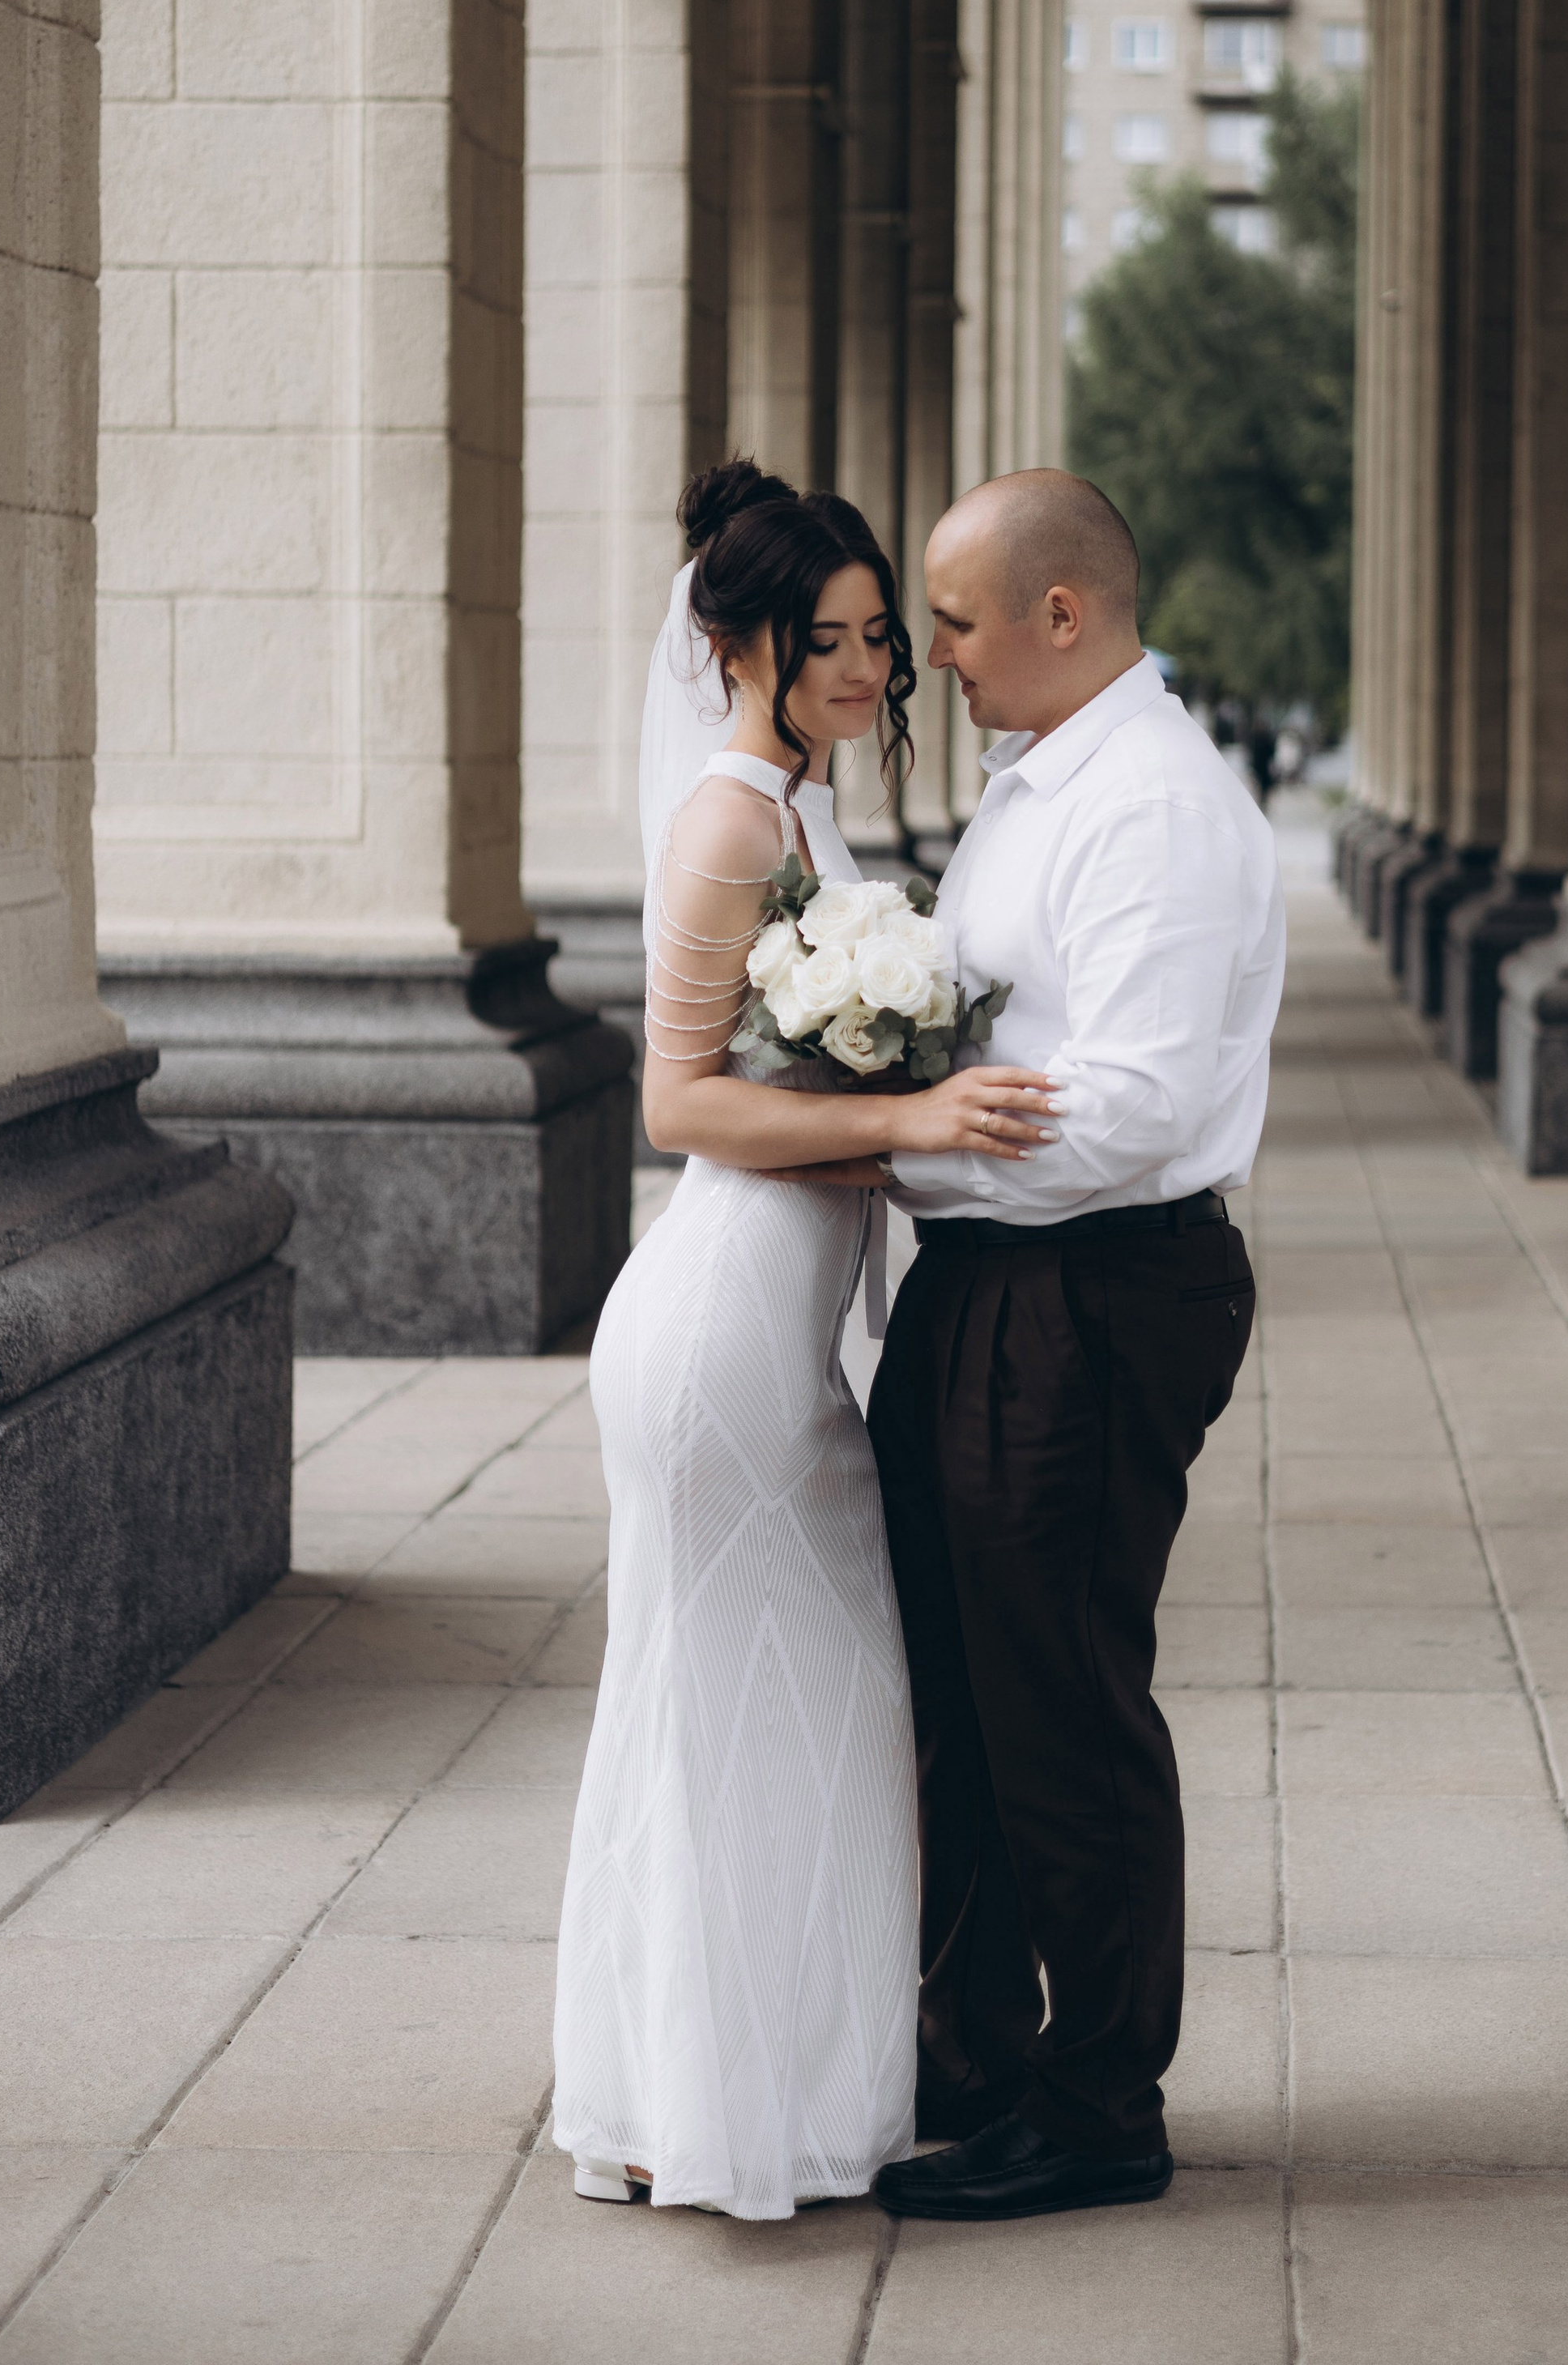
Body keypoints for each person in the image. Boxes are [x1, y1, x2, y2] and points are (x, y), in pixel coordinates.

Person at [550, 461, 1058, 2222]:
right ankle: (690, 2110)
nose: (863, 669)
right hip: (716, 1338)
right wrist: (911, 1119)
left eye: (874, 637)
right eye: (822, 640)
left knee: (797, 1715)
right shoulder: (727, 825)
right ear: (731, 646)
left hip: (786, 1335)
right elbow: (678, 1103)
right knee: (729, 1716)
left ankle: (742, 2092)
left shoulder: (801, 810)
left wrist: (906, 1125)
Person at [864, 467, 1287, 2224]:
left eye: (953, 621)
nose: (931, 656)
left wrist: (891, 1152)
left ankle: (1100, 2102)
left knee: (1061, 1707)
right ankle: (969, 2063)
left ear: (1062, 611)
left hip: (1093, 1296)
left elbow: (1123, 1112)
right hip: (991, 1281)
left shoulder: (1154, 809)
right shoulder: (1039, 784)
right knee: (961, 1700)